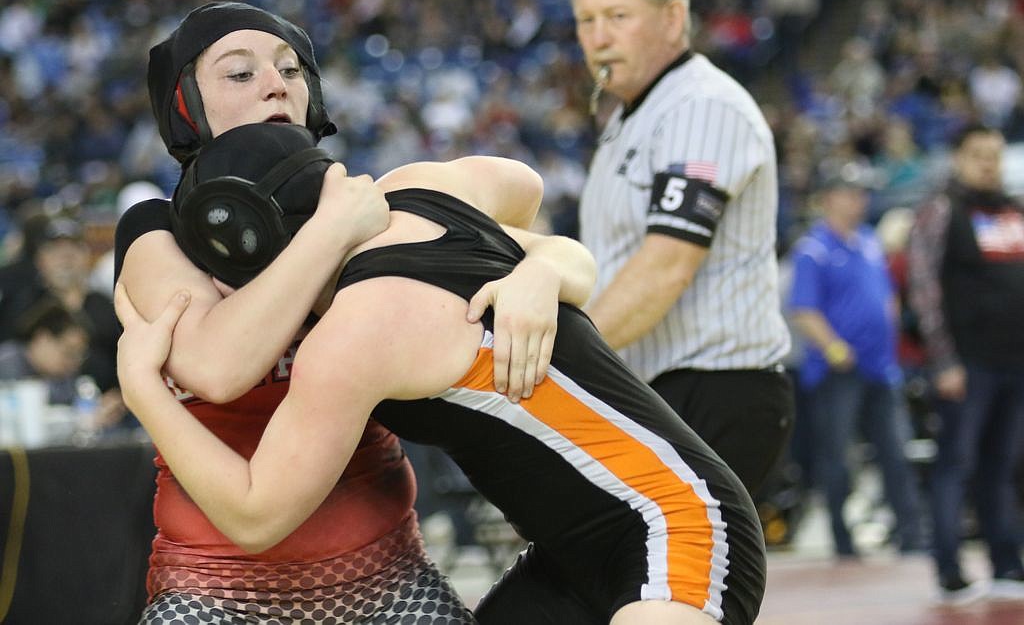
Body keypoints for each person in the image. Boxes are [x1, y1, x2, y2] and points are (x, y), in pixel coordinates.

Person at [116, 120, 768, 625]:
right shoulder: (427, 185)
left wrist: (147, 392)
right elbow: (529, 193)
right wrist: (543, 265)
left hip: (679, 527)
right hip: (570, 557)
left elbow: (256, 515)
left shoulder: (353, 334)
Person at [118, 0, 595, 623]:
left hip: (384, 576)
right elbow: (219, 364)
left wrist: (539, 270)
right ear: (186, 105)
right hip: (214, 589)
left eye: (291, 71)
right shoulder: (156, 232)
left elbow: (526, 198)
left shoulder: (363, 204)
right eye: (240, 74)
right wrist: (332, 232)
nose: (274, 84)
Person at [571, 0, 794, 497]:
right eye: (586, 20)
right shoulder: (633, 115)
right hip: (658, 387)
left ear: (673, 17)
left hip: (716, 388)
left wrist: (566, 359)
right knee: (635, 580)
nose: (598, 37)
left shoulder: (701, 107)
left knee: (673, 582)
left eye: (618, 17)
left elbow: (667, 265)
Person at [906, 123, 1024, 603]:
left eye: (994, 155)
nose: (988, 164)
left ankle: (1006, 563)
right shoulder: (941, 210)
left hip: (1014, 361)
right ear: (957, 158)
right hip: (965, 364)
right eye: (978, 155)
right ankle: (950, 569)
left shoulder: (1013, 210)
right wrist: (943, 359)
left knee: (1004, 464)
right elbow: (923, 285)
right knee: (956, 462)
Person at [787, 164, 925, 558]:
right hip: (838, 370)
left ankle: (911, 534)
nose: (859, 200)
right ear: (829, 198)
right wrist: (833, 348)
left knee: (895, 451)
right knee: (837, 457)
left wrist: (890, 327)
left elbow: (885, 294)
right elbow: (804, 309)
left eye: (862, 194)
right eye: (850, 193)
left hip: (881, 365)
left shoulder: (867, 241)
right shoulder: (813, 249)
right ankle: (842, 540)